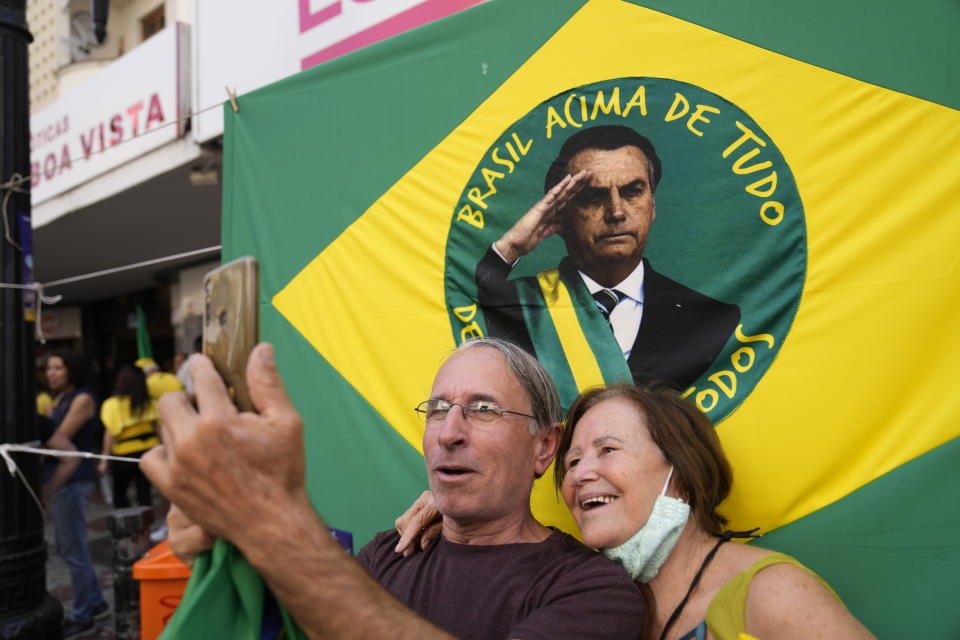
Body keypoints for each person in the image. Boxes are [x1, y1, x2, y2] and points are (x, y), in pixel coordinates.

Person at [142, 339, 647, 639]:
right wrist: (232, 552)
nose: (450, 432)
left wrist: (273, 526)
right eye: (437, 409)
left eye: (483, 409)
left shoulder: (595, 591)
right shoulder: (390, 552)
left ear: (543, 447)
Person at [398, 384, 875, 640]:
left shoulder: (771, 593)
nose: (582, 474)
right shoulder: (589, 596)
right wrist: (455, 508)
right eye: (574, 461)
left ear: (681, 474)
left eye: (608, 450)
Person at [476, 125, 740, 389]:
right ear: (560, 215)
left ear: (653, 206)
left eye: (632, 192)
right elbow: (451, 310)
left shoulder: (709, 319)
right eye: (592, 196)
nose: (616, 212)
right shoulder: (517, 307)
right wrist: (510, 248)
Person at [42, 350, 109, 639]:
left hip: (74, 479)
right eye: (48, 368)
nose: (51, 373)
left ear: (73, 370)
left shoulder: (82, 399)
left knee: (74, 550)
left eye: (58, 367)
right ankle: (96, 603)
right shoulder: (59, 399)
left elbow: (57, 437)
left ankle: (83, 616)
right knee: (70, 548)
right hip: (63, 479)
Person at [98, 365, 160, 508]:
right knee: (145, 494)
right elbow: (159, 429)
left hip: (123, 455)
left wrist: (104, 459)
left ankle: (125, 527)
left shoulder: (112, 404)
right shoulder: (150, 402)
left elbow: (110, 433)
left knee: (119, 493)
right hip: (149, 453)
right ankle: (145, 529)